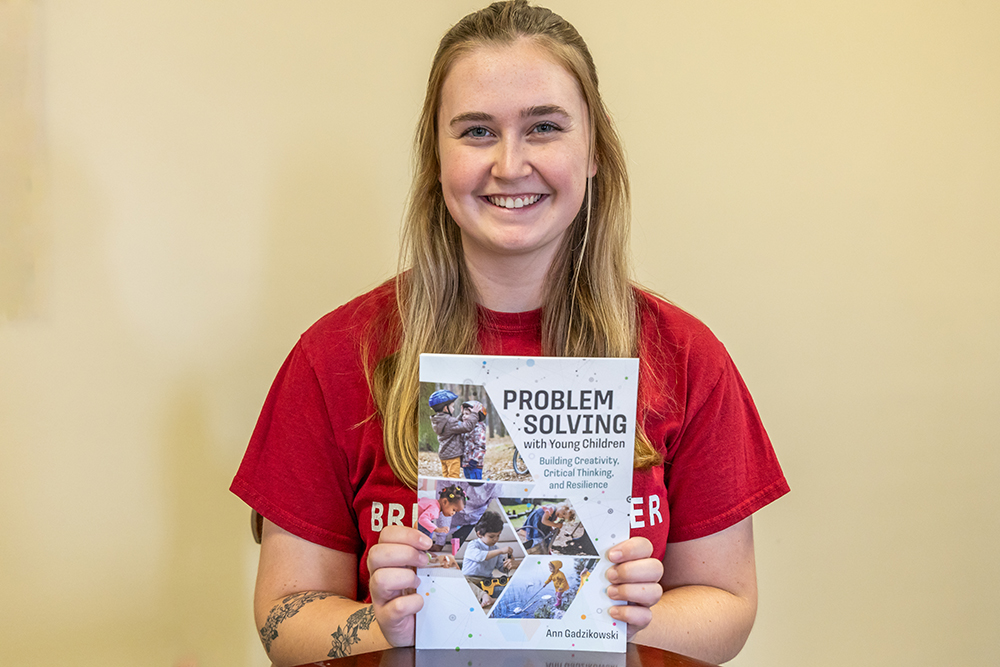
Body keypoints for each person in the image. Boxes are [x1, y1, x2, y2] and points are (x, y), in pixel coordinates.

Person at [230, 1, 789, 665]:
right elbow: (281, 616)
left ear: (594, 153)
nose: (510, 163)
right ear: (436, 159)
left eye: (544, 127)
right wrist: (384, 624)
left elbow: (728, 602)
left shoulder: (686, 358)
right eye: (475, 131)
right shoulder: (334, 358)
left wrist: (639, 614)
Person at [428, 390, 478, 477]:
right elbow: (467, 427)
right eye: (452, 406)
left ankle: (446, 490)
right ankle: (453, 491)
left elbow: (454, 426)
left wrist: (461, 414)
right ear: (445, 408)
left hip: (444, 456)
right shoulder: (450, 421)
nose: (454, 409)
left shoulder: (438, 420)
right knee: (453, 478)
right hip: (452, 456)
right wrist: (474, 414)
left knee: (446, 477)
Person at [459, 401, 488, 479]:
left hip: (475, 465)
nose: (464, 416)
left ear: (476, 416)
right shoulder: (465, 428)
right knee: (469, 486)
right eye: (463, 414)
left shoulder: (478, 428)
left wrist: (475, 460)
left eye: (467, 414)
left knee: (476, 486)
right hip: (466, 464)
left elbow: (481, 447)